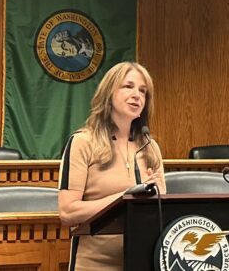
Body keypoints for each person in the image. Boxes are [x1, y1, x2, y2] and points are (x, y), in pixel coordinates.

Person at [58, 61, 165, 271]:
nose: (137, 95)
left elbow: (160, 210)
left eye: (143, 91)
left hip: (143, 260)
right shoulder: (83, 142)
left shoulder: (150, 147)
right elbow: (67, 212)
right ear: (109, 93)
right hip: (94, 264)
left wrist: (159, 197)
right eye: (128, 86)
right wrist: (124, 198)